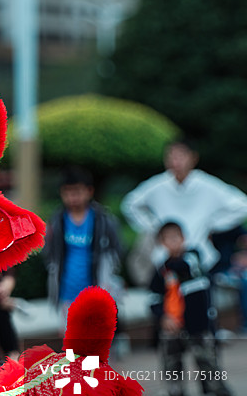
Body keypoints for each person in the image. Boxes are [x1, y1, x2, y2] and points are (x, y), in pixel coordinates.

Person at [149, 221, 246, 396]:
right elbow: (154, 299)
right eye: (168, 239)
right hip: (173, 329)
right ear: (162, 243)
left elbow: (190, 273)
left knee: (210, 369)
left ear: (184, 238)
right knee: (172, 370)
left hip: (198, 327)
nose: (173, 242)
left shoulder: (193, 260)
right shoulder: (161, 271)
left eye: (176, 237)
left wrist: (172, 266)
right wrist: (164, 317)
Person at [122, 138, 247, 273]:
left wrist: (212, 223)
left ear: (193, 158)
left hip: (199, 254)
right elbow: (130, 204)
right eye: (171, 156)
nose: (175, 162)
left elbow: (241, 205)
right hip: (165, 257)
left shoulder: (207, 185)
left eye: (180, 156)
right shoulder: (158, 185)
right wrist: (154, 226)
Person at [43, 166, 124, 330]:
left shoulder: (103, 219)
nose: (72, 197)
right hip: (67, 291)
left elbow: (118, 249)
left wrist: (108, 276)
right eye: (67, 192)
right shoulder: (57, 220)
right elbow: (48, 251)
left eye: (77, 192)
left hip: (97, 289)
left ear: (89, 191)